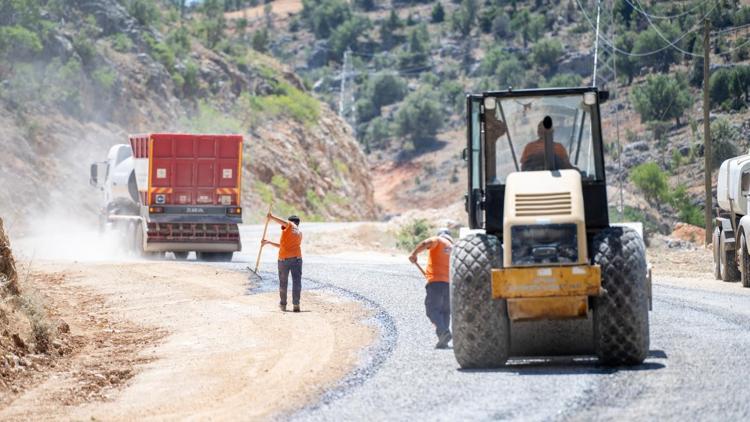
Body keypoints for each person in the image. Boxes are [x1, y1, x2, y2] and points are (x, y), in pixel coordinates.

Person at [409, 228, 454, 349]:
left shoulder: (438, 240)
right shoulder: (454, 248)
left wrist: (414, 253)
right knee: (445, 312)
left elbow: (426, 243)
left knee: (432, 310)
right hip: (449, 284)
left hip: (436, 283)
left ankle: (444, 332)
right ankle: (443, 340)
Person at [262, 213, 303, 312]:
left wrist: (271, 217)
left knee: (283, 282)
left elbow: (283, 222)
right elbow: (283, 246)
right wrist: (268, 242)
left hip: (284, 260)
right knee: (296, 282)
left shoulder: (290, 225)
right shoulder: (299, 233)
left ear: (291, 222)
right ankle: (296, 304)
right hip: (297, 259)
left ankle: (283, 305)